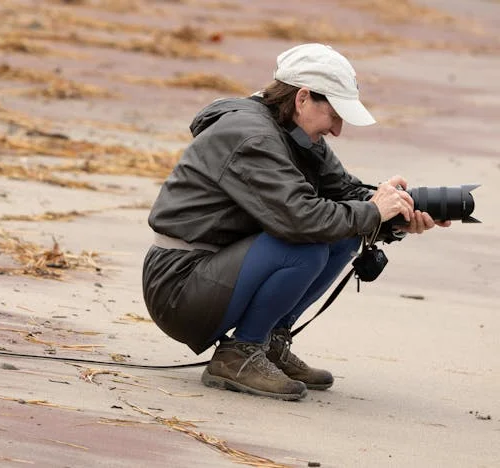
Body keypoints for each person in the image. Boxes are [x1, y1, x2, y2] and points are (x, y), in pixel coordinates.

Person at [141, 43, 450, 401]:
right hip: (178, 285)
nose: (337, 129)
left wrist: (401, 213)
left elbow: (347, 195)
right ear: (302, 98)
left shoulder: (295, 133)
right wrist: (372, 212)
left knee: (344, 235)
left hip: (214, 272)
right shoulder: (251, 136)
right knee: (306, 248)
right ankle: (241, 353)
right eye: (335, 114)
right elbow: (301, 220)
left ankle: (268, 342)